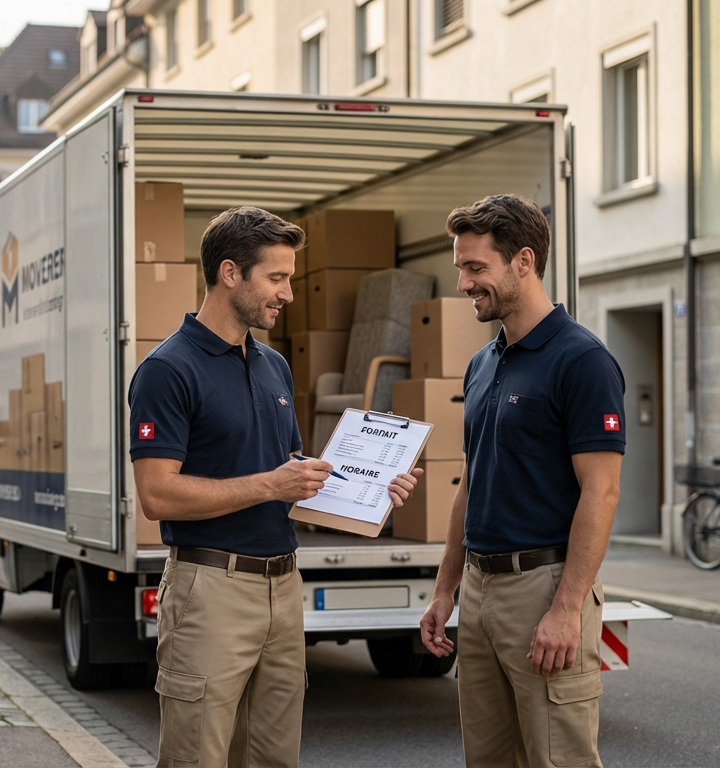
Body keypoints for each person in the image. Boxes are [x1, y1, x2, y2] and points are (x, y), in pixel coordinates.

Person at [130, 206, 422, 768]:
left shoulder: (273, 366)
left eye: (290, 278)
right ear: (230, 273)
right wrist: (272, 483)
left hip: (283, 589)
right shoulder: (168, 369)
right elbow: (158, 495)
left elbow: (291, 475)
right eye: (277, 278)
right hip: (210, 588)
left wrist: (369, 487)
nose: (287, 293)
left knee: (274, 758)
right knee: (197, 758)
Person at [419, 194, 625, 768]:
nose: (463, 283)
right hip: (481, 593)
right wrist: (445, 588)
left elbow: (601, 492)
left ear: (524, 262)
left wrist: (566, 609)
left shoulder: (582, 360)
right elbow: (472, 482)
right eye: (461, 267)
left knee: (558, 759)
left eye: (475, 268)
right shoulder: (485, 362)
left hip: (545, 588)